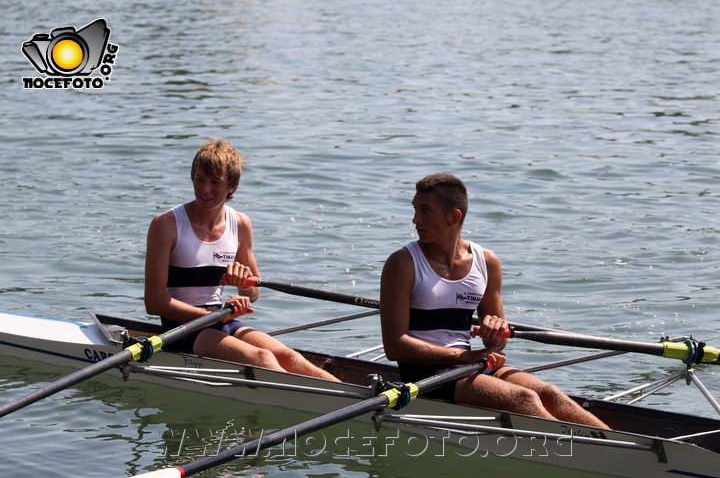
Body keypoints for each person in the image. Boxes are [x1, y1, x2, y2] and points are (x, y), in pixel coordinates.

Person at [380, 173, 608, 428]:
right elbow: (395, 347)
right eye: (415, 209)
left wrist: (496, 331)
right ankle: (593, 453)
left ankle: (616, 446)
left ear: (453, 217)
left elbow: (496, 344)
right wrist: (463, 357)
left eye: (425, 210)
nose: (415, 219)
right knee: (524, 397)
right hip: (424, 374)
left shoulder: (486, 261)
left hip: (469, 363)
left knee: (549, 393)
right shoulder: (402, 263)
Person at [144, 138, 338, 381]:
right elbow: (153, 303)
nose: (205, 190)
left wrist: (243, 288)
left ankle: (356, 403)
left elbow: (253, 292)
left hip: (218, 318)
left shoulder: (240, 224)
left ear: (232, 186)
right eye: (200, 179)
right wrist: (207, 316)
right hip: (181, 328)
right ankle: (329, 406)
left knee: (290, 356)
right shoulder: (166, 224)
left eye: (215, 183)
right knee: (262, 359)